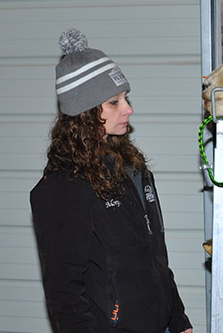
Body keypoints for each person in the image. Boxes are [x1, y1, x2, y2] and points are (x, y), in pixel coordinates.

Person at [30, 28, 193, 333]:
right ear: (85, 113)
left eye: (125, 98)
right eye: (114, 102)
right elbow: (64, 294)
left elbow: (156, 256)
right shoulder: (63, 188)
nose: (128, 108)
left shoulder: (134, 169)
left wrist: (178, 319)